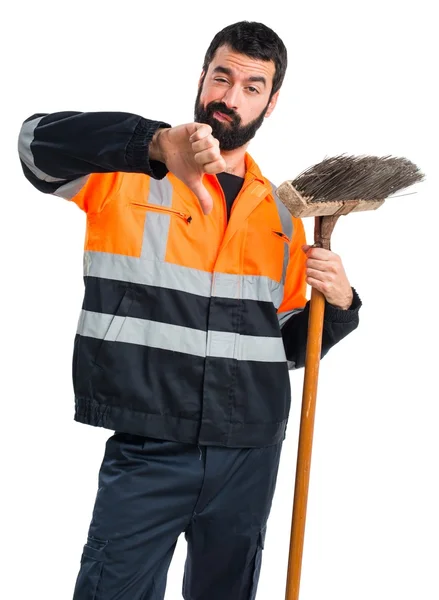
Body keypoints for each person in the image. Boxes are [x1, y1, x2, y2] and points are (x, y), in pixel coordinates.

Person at [18, 20, 361, 600]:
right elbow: (34, 145)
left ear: (271, 103)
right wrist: (152, 144)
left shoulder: (281, 215)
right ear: (201, 78)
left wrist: (343, 305)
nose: (231, 97)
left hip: (250, 452)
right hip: (151, 445)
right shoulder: (129, 173)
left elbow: (280, 345)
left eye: (253, 86)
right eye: (222, 76)